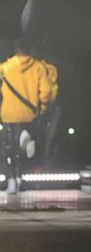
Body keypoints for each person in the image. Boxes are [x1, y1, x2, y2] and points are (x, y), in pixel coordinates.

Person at [0, 39, 58, 193]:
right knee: (23, 147)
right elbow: (46, 94)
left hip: (9, 114)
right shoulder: (39, 67)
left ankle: (12, 180)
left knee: (8, 148)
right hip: (30, 115)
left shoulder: (5, 67)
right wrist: (42, 107)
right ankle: (20, 175)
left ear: (16, 50)